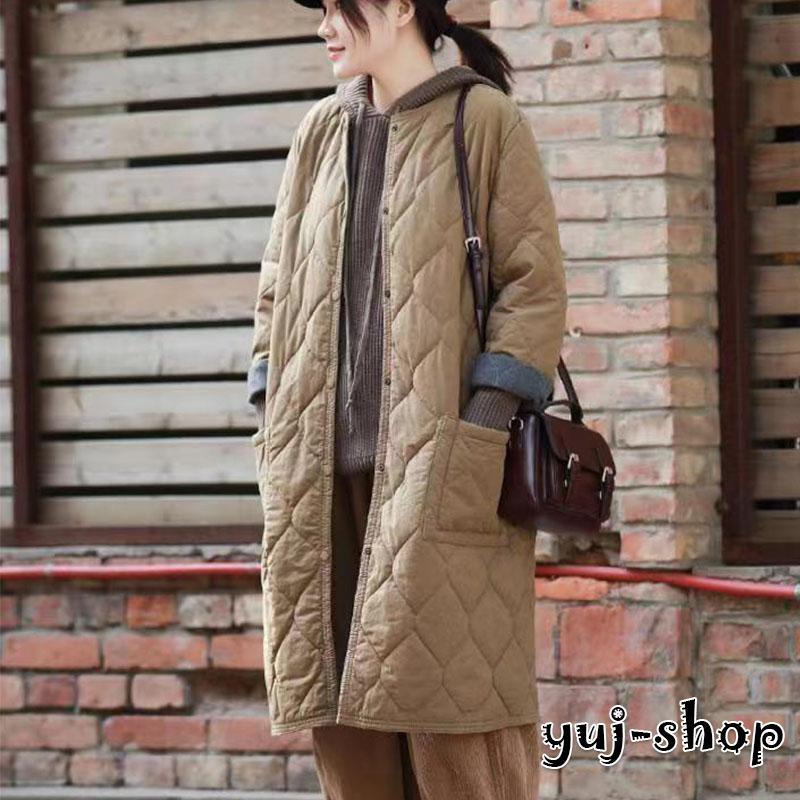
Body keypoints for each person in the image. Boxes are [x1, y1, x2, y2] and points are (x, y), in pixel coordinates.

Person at [247, 0, 567, 796]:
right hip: (318, 475)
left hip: (440, 465)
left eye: (338, 7)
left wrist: (482, 425)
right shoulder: (319, 133)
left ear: (398, 7)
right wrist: (269, 401)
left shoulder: (484, 121)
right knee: (344, 722)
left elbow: (532, 288)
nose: (324, 25)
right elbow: (276, 286)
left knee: (455, 716)